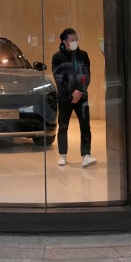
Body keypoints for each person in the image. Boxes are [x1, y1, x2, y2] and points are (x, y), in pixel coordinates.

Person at [52, 27, 95, 167]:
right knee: (63, 126)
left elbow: (87, 75)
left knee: (85, 126)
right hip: (65, 97)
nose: (75, 41)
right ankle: (63, 155)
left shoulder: (83, 55)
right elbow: (59, 78)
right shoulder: (57, 57)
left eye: (76, 39)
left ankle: (86, 155)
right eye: (72, 39)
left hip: (82, 97)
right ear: (65, 41)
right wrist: (71, 92)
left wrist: (80, 91)